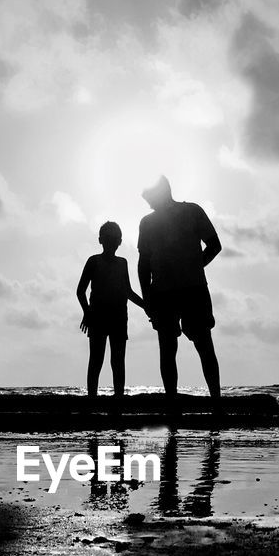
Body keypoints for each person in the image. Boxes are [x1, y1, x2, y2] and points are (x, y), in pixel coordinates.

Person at [137, 176, 223, 413]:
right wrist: (147, 298)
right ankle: (192, 405)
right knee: (183, 347)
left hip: (184, 289)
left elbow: (214, 245)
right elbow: (143, 263)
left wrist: (195, 266)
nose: (149, 204)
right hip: (170, 291)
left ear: (163, 192)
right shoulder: (151, 221)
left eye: (150, 198)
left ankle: (210, 403)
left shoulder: (191, 212)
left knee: (196, 346)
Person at [75, 221, 146, 398]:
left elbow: (127, 291)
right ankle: (92, 398)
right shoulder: (94, 261)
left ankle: (119, 399)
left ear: (119, 241)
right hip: (98, 316)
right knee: (97, 360)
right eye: (108, 238)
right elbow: (80, 290)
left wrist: (147, 306)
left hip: (119, 318)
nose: (111, 242)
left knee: (118, 361)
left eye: (114, 239)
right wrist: (87, 312)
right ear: (101, 240)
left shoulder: (122, 263)